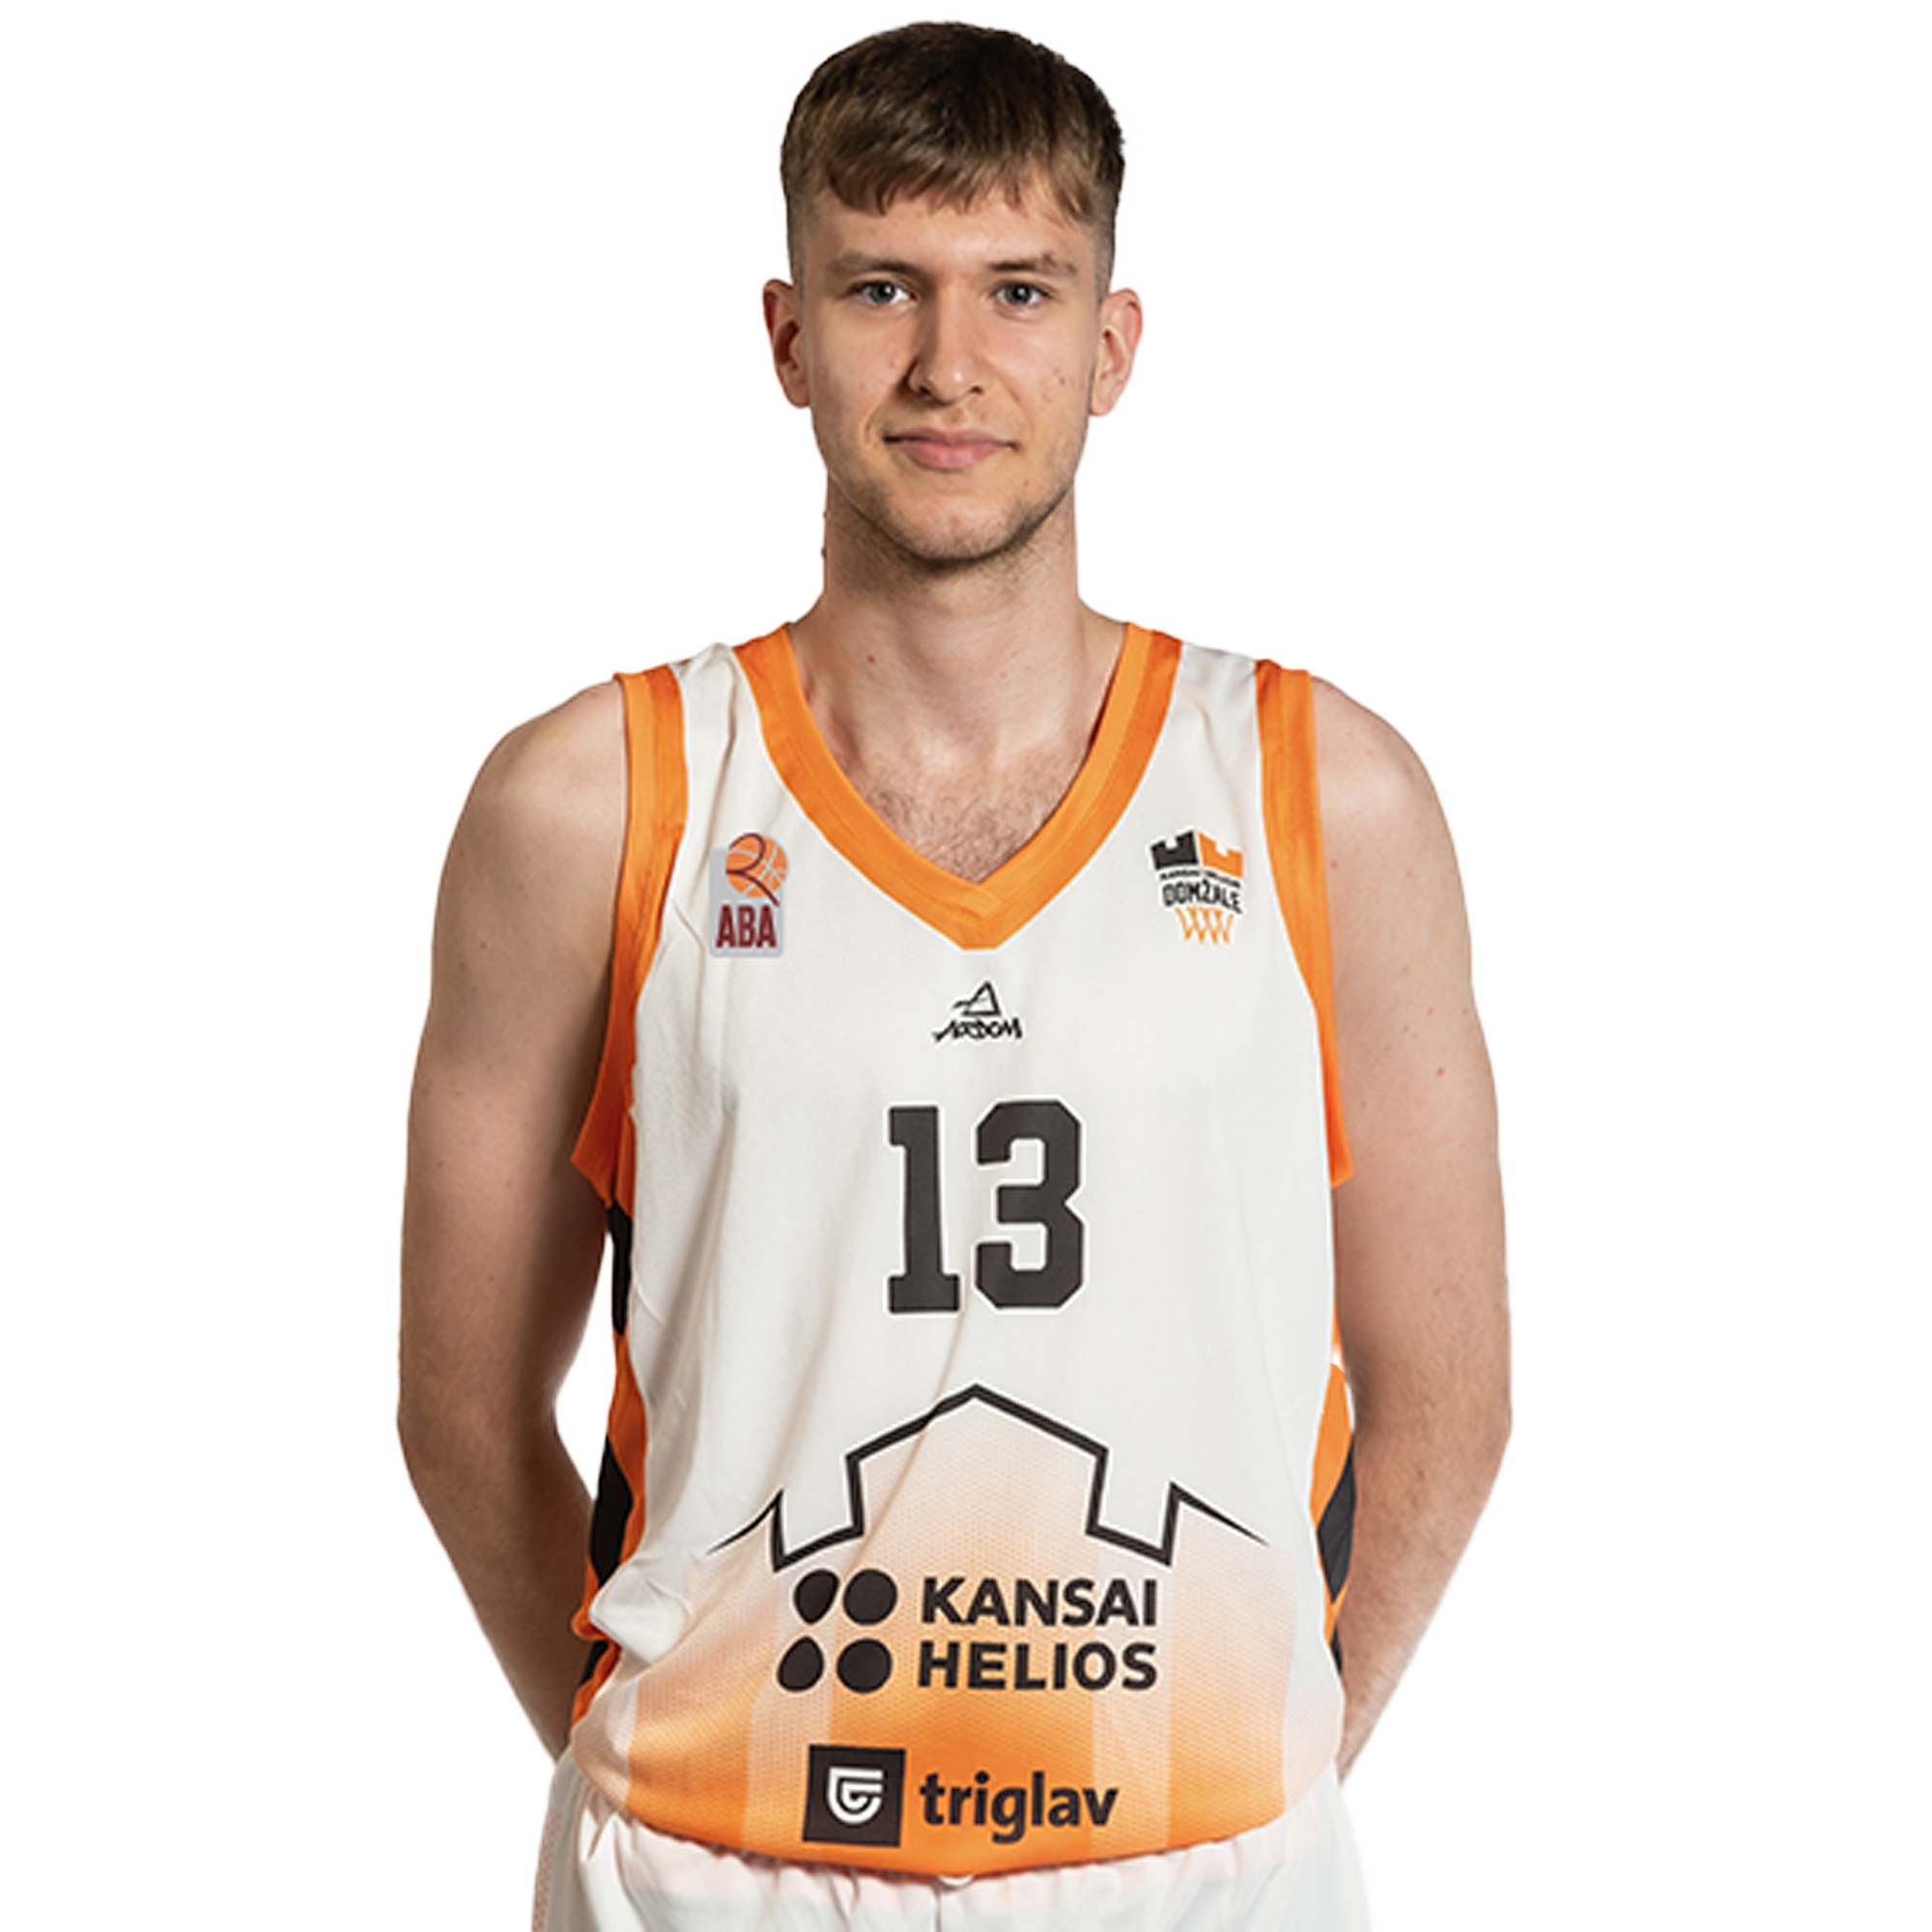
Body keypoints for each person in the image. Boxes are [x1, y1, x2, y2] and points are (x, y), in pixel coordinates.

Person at [400, 19, 1509, 1930]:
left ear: (1111, 345)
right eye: (878, 288)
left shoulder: (1325, 794)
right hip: (711, 1874)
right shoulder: (593, 801)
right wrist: (636, 1747)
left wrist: (1275, 1755)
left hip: (1202, 1872)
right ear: (786, 337)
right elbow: (460, 1405)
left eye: (1019, 289)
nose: (948, 364)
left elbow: (1451, 1397)